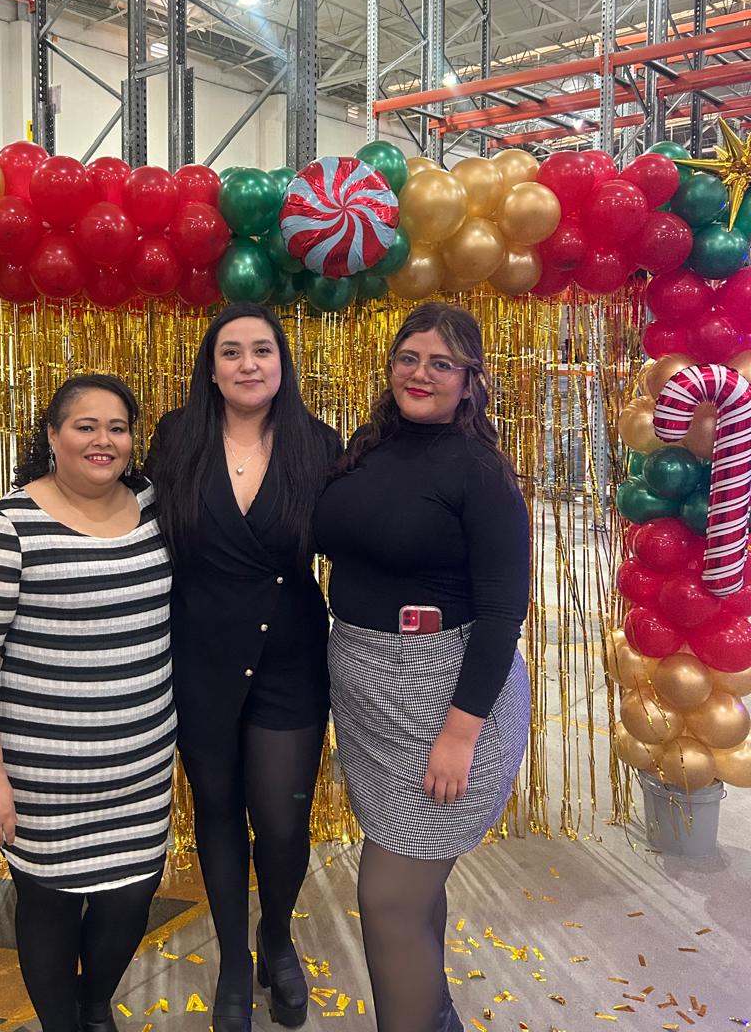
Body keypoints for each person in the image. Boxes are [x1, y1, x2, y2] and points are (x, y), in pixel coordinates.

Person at [314, 303, 531, 1032]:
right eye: (409, 357)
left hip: (447, 695)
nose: (421, 374)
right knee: (415, 885)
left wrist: (459, 736)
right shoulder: (368, 445)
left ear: (471, 380)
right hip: (369, 692)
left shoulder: (480, 471)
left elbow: (501, 614)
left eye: (442, 363)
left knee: (388, 900)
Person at [0, 375, 175, 1032]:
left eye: (117, 428)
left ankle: (94, 1004)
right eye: (85, 426)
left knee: (130, 901)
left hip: (140, 774)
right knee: (49, 908)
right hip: (43, 782)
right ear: (52, 435)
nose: (104, 441)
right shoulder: (6, 526)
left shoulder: (156, 509)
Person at [144, 302, 341, 1032]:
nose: (248, 364)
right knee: (218, 811)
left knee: (283, 824)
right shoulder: (176, 438)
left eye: (262, 350)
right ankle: (233, 957)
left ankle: (277, 938)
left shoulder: (319, 445)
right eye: (231, 352)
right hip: (200, 654)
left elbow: (357, 539)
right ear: (211, 367)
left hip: (291, 658)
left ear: (282, 363)